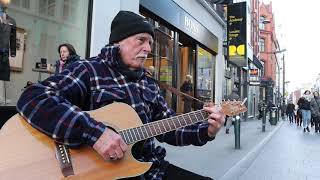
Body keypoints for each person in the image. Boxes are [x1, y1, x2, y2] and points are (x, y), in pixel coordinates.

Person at [16, 11, 225, 180]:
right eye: (141, 40)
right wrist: (95, 133)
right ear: (118, 41)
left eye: (150, 43)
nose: (147, 49)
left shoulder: (148, 83)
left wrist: (206, 130)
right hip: (100, 174)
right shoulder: (89, 70)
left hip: (149, 170)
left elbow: (169, 127)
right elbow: (33, 97)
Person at [0, 0, 16, 81]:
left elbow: (13, 39)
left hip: (4, 56)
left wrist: (13, 52)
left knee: (2, 80)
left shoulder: (11, 21)